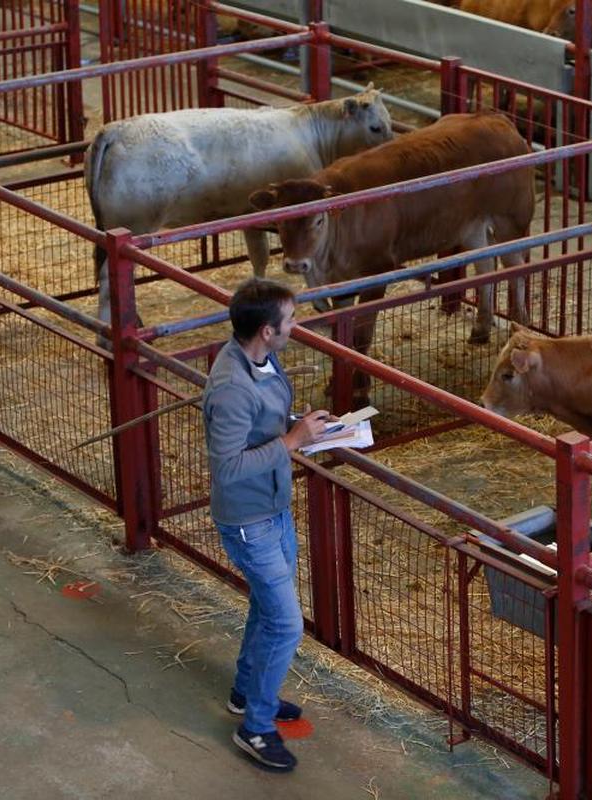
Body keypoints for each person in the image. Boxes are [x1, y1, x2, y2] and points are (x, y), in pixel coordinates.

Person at [202, 277, 329, 772]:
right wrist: (293, 441)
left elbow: (267, 424)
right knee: (286, 623)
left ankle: (246, 690)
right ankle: (255, 726)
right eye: (290, 321)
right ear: (266, 331)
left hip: (272, 505)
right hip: (249, 518)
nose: (295, 326)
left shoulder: (256, 357)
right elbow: (227, 467)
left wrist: (309, 429)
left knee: (267, 607)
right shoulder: (232, 387)